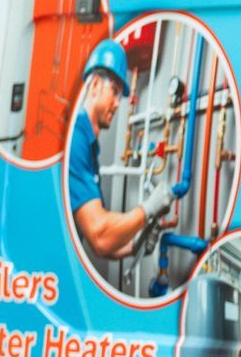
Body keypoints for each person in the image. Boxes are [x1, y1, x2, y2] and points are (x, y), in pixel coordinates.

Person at [68, 39, 186, 260]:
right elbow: (99, 236)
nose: (116, 103)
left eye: (119, 95)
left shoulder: (90, 146)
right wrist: (148, 209)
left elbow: (101, 245)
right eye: (113, 91)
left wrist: (136, 246)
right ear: (94, 85)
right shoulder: (75, 139)